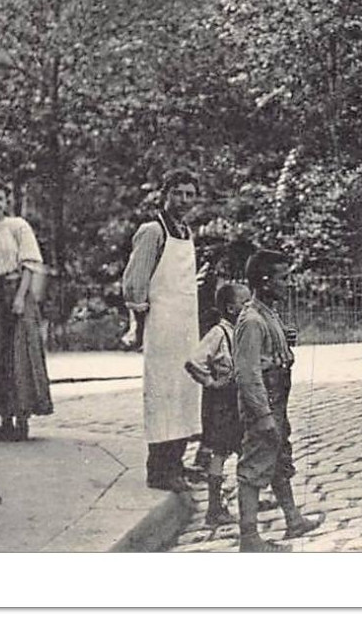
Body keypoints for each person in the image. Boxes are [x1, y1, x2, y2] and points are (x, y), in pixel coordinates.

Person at [234, 250, 324, 552]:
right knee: (255, 466)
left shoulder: (267, 314)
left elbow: (269, 348)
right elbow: (247, 374)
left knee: (279, 460)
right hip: (264, 404)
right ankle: (249, 538)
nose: (289, 283)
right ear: (265, 281)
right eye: (282, 278)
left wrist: (284, 339)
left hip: (277, 402)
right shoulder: (251, 321)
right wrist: (262, 416)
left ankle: (293, 519)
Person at [121, 168, 203, 491]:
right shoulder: (153, 231)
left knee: (184, 392)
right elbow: (135, 282)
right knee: (162, 394)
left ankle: (176, 463)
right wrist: (139, 325)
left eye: (189, 195)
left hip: (185, 324)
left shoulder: (185, 231)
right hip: (161, 325)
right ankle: (159, 470)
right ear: (165, 194)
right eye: (178, 193)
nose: (183, 200)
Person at [0, 178, 53, 442]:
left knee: (20, 353)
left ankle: (21, 418)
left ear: (6, 202)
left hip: (16, 289)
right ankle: (0, 418)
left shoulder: (18, 226)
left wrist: (20, 297)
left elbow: (30, 264)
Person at [185, 280, 251, 528]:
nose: (250, 308)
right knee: (220, 454)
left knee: (248, 448)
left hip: (240, 400)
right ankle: (214, 508)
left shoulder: (241, 331)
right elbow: (194, 362)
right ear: (232, 309)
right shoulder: (218, 333)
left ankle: (253, 497)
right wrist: (211, 383)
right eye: (245, 304)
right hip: (223, 403)